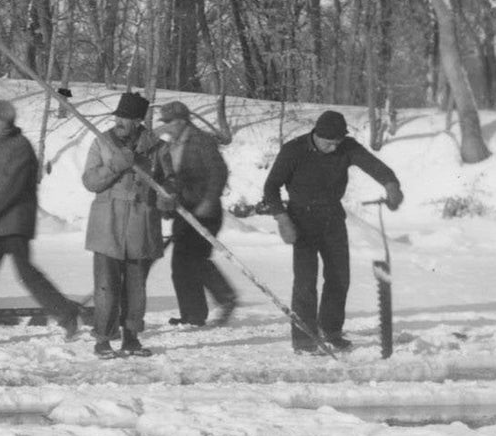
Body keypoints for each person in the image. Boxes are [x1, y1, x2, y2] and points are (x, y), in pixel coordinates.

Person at [262, 109, 403, 354]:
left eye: (337, 142)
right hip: (300, 219)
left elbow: (375, 166)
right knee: (305, 281)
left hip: (332, 217)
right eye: (329, 143)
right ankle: (304, 339)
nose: (333, 147)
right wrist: (282, 218)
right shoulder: (293, 150)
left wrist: (391, 185)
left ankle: (331, 331)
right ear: (317, 135)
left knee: (339, 277)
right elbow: (271, 187)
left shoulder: (346, 147)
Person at [0, 99, 84, 344]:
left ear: (4, 122)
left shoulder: (19, 148)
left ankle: (67, 313)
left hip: (13, 224)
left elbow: (6, 191)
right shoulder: (6, 145)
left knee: (25, 274)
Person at [82, 91, 171, 358]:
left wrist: (169, 196)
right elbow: (89, 181)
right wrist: (115, 166)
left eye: (125, 117)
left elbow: (170, 181)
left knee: (136, 289)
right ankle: (103, 339)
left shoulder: (158, 148)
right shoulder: (102, 143)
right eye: (118, 115)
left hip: (141, 225)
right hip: (107, 226)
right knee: (106, 287)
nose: (119, 121)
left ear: (137, 121)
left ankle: (131, 338)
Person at [155, 101, 237, 327]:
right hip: (185, 210)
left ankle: (226, 297)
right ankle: (193, 315)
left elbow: (218, 172)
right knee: (181, 263)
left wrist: (209, 201)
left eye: (169, 122)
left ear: (182, 120)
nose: (166, 127)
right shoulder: (171, 145)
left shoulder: (201, 141)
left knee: (195, 259)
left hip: (205, 211)